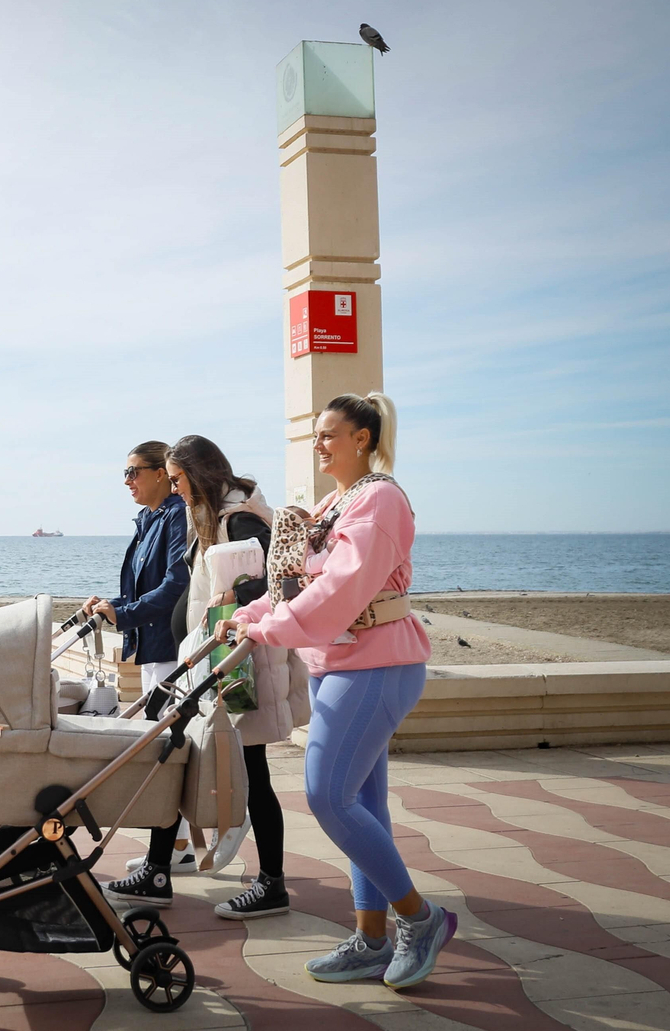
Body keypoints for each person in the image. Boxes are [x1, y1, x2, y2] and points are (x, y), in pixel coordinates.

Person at [218, 393, 450, 990]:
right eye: (316, 434)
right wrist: (250, 615)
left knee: (328, 795)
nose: (318, 444)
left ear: (363, 439)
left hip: (376, 664)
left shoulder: (379, 499)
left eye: (329, 434)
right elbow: (296, 583)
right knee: (363, 805)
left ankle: (419, 920)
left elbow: (343, 589)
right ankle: (371, 938)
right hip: (340, 663)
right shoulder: (334, 503)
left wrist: (270, 627)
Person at [106, 435, 282, 907]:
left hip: (236, 664)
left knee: (255, 773)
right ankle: (158, 869)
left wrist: (238, 598)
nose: (177, 488)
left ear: (196, 475)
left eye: (179, 479)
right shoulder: (208, 517)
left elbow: (280, 581)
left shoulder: (241, 518)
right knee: (171, 754)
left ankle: (272, 883)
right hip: (204, 658)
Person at [79, 442, 195, 877]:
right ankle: (177, 847)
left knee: (163, 755)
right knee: (163, 750)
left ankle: (167, 855)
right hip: (151, 647)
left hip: (169, 648)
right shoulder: (149, 521)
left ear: (163, 473)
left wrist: (123, 614)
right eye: (124, 474)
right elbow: (142, 586)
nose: (127, 481)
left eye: (134, 472)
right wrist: (112, 605)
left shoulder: (175, 517)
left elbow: (174, 586)